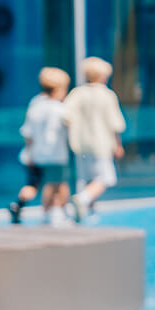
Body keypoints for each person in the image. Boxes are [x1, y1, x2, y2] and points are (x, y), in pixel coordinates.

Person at [64, 56, 127, 222]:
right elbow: (115, 123)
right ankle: (82, 199)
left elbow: (66, 115)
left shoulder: (77, 93)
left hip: (81, 144)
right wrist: (118, 145)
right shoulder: (107, 95)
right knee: (104, 178)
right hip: (102, 143)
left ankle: (89, 211)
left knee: (90, 178)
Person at [10, 67, 72, 226]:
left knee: (33, 185)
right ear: (59, 89)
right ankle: (51, 213)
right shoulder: (59, 109)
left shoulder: (35, 104)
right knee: (55, 185)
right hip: (54, 154)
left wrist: (29, 153)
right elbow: (65, 129)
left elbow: (27, 133)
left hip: (35, 154)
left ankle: (18, 204)